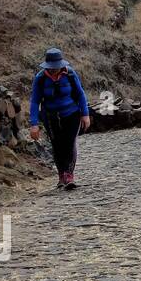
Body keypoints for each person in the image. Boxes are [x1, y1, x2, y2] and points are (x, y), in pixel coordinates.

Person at [28, 48, 91, 190]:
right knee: (57, 145)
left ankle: (69, 175)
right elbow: (34, 101)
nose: (54, 70)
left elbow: (80, 94)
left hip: (72, 113)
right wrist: (34, 124)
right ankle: (61, 175)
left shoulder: (69, 73)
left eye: (56, 67)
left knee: (69, 143)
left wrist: (85, 114)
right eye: (51, 67)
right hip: (50, 116)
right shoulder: (40, 78)